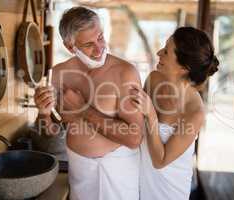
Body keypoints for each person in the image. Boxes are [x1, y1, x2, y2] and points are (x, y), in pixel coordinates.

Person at [34, 7, 144, 200]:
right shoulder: (58, 74)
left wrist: (83, 109)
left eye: (100, 37)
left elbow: (134, 138)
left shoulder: (125, 73)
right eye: (89, 44)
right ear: (70, 46)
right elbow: (51, 131)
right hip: (79, 169)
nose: (99, 48)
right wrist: (43, 114)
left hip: (117, 171)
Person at [130, 27, 219, 200]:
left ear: (184, 67)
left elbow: (160, 161)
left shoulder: (194, 111)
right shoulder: (153, 79)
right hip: (137, 181)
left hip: (168, 191)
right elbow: (135, 123)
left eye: (166, 52)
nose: (158, 53)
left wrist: (151, 114)